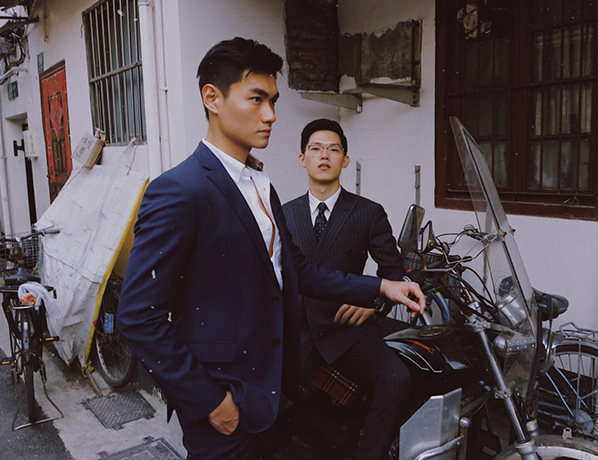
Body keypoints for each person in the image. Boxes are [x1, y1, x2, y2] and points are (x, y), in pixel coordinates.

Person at [117, 37, 425, 460]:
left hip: (271, 391)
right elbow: (138, 317)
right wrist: (210, 401)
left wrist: (381, 287)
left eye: (273, 101)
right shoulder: (179, 190)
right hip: (225, 403)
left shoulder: (261, 186)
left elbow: (298, 270)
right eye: (257, 99)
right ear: (212, 98)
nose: (271, 115)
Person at [283, 119, 412, 460]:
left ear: (345, 160)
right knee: (272, 400)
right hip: (298, 328)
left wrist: (373, 302)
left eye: (333, 149)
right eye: (315, 149)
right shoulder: (283, 215)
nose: (324, 155)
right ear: (302, 159)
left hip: (347, 326)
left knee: (395, 377)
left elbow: (393, 273)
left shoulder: (368, 212)